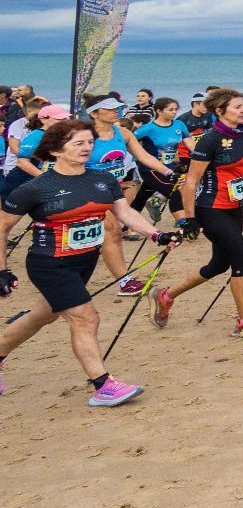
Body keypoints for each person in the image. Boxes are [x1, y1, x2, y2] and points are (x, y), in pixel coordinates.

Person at [0, 120, 183, 406]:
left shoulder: (102, 179)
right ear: (56, 150)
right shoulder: (36, 188)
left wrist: (156, 234)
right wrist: (3, 269)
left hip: (85, 262)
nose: (87, 148)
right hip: (50, 264)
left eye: (89, 143)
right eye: (78, 143)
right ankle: (103, 386)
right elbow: (2, 228)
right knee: (86, 317)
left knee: (43, 315)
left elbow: (124, 213)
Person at [151, 90, 243, 338]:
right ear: (220, 111)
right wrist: (189, 219)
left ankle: (166, 295)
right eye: (237, 107)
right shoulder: (209, 140)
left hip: (235, 208)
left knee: (219, 264)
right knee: (242, 258)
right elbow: (191, 181)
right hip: (210, 209)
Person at [80, 94, 170, 294]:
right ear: (94, 113)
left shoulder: (123, 133)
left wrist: (168, 172)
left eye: (118, 108)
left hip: (112, 191)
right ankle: (124, 282)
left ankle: (120, 279)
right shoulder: (84, 135)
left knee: (110, 235)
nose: (116, 111)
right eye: (110, 108)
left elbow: (144, 156)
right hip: (87, 192)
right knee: (111, 233)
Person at [131, 97, 189, 227]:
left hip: (170, 168)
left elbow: (190, 144)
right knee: (174, 191)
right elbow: (129, 142)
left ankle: (126, 227)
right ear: (159, 111)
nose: (174, 112)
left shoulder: (179, 125)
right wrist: (138, 156)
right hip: (151, 169)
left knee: (142, 197)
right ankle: (184, 224)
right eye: (170, 110)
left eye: (175, 109)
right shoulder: (148, 128)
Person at [2, 96, 49, 204]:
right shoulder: (18, 125)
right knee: (11, 201)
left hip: (35, 166)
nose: (41, 116)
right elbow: (14, 148)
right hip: (15, 166)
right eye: (40, 113)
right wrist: (28, 159)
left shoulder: (44, 126)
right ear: (30, 110)